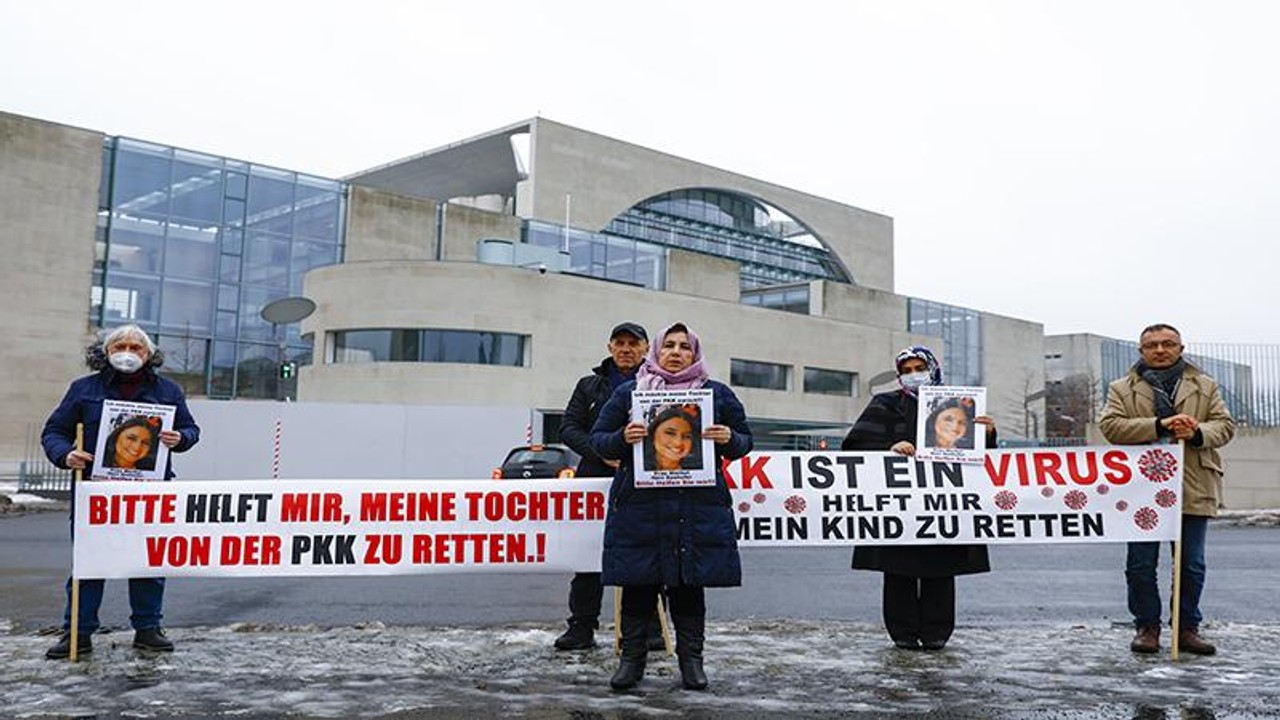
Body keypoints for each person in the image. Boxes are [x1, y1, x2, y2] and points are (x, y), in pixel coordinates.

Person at [590, 322, 752, 691]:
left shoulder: (716, 394)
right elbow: (599, 440)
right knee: (638, 583)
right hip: (640, 507)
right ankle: (631, 662)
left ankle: (691, 662)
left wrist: (729, 438)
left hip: (696, 506)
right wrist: (621, 437)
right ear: (656, 351)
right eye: (669, 346)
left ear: (695, 353)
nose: (676, 352)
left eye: (684, 347)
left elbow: (745, 441)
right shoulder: (631, 393)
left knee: (688, 583)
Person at [41, 324, 201, 659]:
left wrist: (181, 438)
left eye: (135, 347)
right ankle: (78, 633)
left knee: (147, 562)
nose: (127, 352)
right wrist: (65, 455)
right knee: (88, 564)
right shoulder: (83, 389)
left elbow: (190, 428)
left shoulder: (168, 391)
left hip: (149, 494)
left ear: (148, 354)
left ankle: (147, 629)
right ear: (106, 351)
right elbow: (55, 430)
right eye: (120, 345)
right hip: (96, 493)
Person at [841, 345, 995, 650]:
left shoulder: (959, 404)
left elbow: (982, 459)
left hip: (943, 504)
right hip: (898, 506)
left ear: (932, 368)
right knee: (898, 571)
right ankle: (903, 633)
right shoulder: (885, 403)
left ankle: (938, 632)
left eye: (918, 368)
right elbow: (854, 446)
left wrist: (987, 434)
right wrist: (891, 447)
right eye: (906, 371)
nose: (913, 376)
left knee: (941, 569)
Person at [1099, 323, 1235, 656]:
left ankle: (1187, 628)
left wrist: (1197, 431)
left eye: (1168, 344)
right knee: (1141, 564)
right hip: (1141, 490)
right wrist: (1159, 425)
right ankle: (1147, 627)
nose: (1160, 350)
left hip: (1193, 481)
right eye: (1152, 345)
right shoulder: (1121, 388)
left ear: (1181, 348)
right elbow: (1111, 426)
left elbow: (1225, 425)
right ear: (1141, 351)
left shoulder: (1205, 385)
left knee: (1191, 563)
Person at [552, 322, 653, 651]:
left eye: (633, 343)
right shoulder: (588, 386)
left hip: (641, 480)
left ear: (646, 348)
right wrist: (604, 452)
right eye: (619, 342)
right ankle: (581, 626)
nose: (626, 349)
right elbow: (569, 428)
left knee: (644, 554)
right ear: (610, 347)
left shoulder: (658, 384)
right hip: (594, 480)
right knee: (588, 556)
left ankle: (647, 628)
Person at [643, 404, 702, 471]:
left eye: (687, 436)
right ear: (653, 435)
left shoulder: (701, 472)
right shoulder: (636, 469)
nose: (678, 443)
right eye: (670, 433)